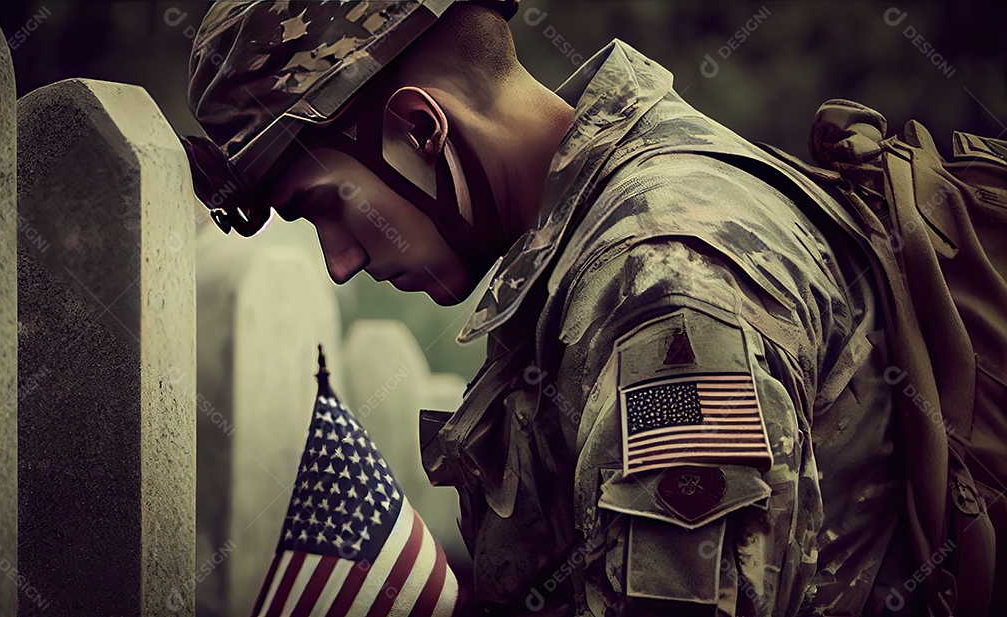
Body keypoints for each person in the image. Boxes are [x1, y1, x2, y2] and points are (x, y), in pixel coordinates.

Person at [182, 2, 931, 614]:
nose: (340, 263)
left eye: (326, 208)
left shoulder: (666, 276)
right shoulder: (593, 246)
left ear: (420, 129)